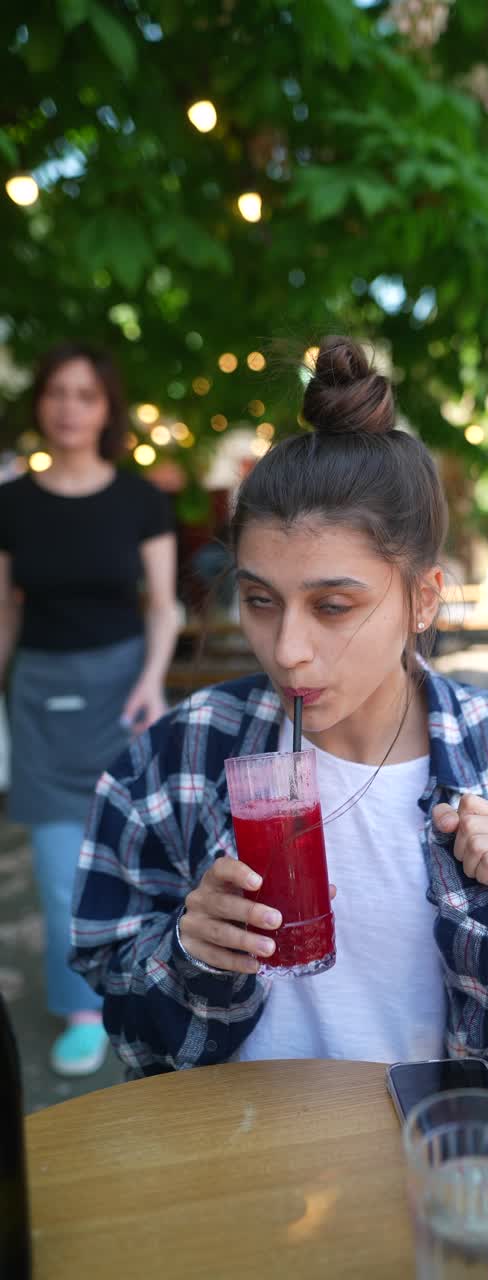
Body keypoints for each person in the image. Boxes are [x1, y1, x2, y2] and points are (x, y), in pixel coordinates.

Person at [70, 336, 488, 1095]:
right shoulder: (180, 753)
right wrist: (190, 956)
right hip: (228, 1147)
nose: (288, 650)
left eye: (332, 606)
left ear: (423, 599)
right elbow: (123, 1011)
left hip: (429, 1147)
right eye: (260, 600)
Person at [0, 342, 177, 1076]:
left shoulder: (141, 499)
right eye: (57, 393)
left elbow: (163, 607)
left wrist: (153, 683)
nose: (69, 408)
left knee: (139, 858)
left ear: (107, 409)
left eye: (86, 395)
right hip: (39, 696)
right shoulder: (10, 503)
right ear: (40, 403)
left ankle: (154, 981)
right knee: (56, 871)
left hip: (123, 692)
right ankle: (80, 1007)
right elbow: (4, 611)